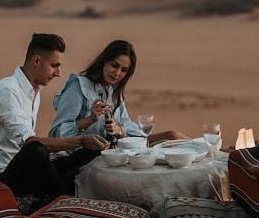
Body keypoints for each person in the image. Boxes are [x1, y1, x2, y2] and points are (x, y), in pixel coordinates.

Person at [0, 33, 108, 204]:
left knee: (88, 153)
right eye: (54, 66)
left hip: (24, 173)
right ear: (37, 61)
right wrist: (81, 140)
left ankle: (61, 198)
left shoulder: (34, 92)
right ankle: (60, 203)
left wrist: (84, 145)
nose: (58, 73)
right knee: (36, 151)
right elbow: (30, 144)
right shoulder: (7, 91)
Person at [49, 39, 189, 145]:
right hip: (81, 157)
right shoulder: (78, 86)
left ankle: (208, 156)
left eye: (123, 70)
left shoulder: (113, 90)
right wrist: (90, 119)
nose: (117, 73)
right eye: (114, 65)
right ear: (104, 61)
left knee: (173, 136)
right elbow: (55, 136)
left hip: (115, 150)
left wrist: (119, 130)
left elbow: (126, 125)